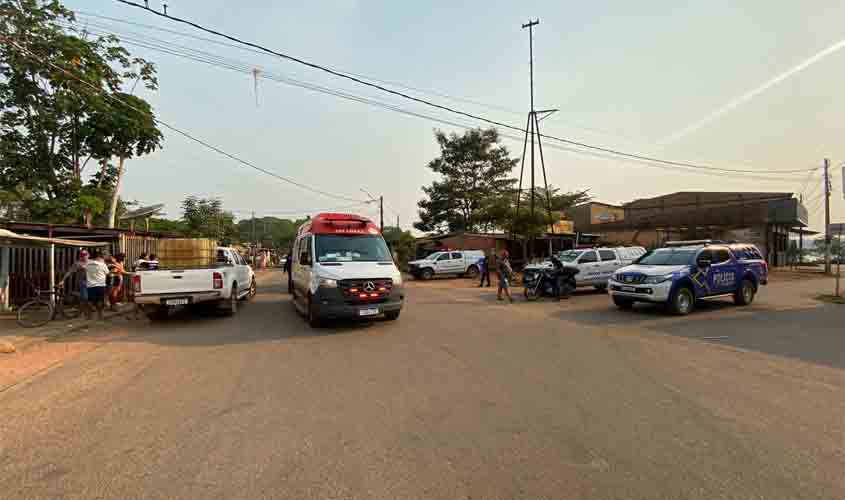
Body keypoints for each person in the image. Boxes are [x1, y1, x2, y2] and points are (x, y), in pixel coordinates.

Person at [60, 249, 89, 314]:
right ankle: (84, 310)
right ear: (80, 256)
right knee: (85, 297)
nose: (84, 256)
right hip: (83, 282)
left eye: (85, 255)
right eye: (82, 255)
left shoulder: (92, 262)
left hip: (92, 282)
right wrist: (63, 280)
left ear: (88, 255)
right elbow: (69, 272)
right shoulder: (77, 263)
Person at [85, 250, 110, 320]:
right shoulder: (102, 265)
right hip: (100, 285)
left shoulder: (87, 264)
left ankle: (90, 315)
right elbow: (108, 273)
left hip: (90, 285)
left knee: (90, 301)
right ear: (98, 257)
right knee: (100, 301)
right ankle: (100, 315)